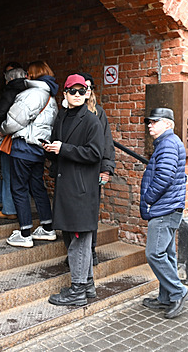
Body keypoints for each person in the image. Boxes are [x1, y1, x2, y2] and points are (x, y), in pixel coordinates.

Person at [45, 74, 104, 306]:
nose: (77, 95)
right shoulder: (61, 117)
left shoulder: (91, 121)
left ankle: (78, 290)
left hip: (81, 191)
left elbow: (95, 154)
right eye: (73, 91)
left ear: (87, 93)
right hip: (65, 188)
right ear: (65, 94)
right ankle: (87, 285)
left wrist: (64, 149)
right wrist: (49, 148)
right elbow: (59, 147)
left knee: (79, 239)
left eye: (82, 91)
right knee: (72, 237)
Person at [0, 61, 58, 247]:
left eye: (28, 73)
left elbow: (13, 121)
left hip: (23, 147)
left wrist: (2, 128)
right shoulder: (50, 96)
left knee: (19, 189)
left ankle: (25, 233)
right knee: (37, 187)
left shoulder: (31, 94)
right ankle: (47, 228)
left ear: (32, 75)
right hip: (39, 148)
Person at [140, 107, 188, 319]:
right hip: (169, 207)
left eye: (154, 121)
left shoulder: (168, 143)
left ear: (168, 124)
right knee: (167, 254)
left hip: (164, 208)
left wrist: (149, 198)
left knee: (154, 253)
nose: (150, 125)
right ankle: (165, 298)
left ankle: (178, 291)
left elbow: (164, 176)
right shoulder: (167, 142)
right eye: (149, 122)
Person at [78, 72, 115, 265]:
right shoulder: (66, 112)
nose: (84, 91)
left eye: (88, 87)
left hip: (92, 172)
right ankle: (76, 254)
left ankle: (90, 251)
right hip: (72, 173)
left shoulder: (98, 113)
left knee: (90, 211)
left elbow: (107, 143)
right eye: (80, 87)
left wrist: (106, 169)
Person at [0, 64, 28, 220]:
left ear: (10, 79)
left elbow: (0, 113)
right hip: (27, 138)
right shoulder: (30, 92)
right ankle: (22, 209)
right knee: (23, 175)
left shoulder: (9, 92)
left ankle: (9, 209)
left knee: (7, 172)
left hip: (10, 136)